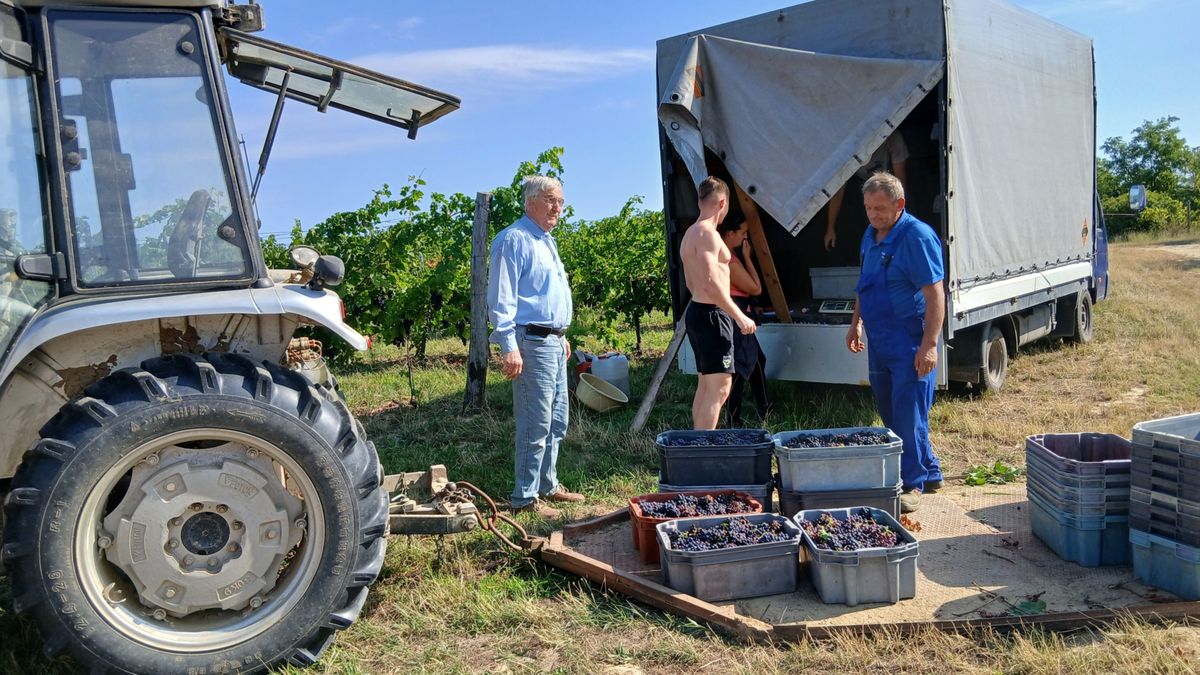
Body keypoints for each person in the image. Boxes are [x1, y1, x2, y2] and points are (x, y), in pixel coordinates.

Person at [845, 172, 944, 513]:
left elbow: (935, 295)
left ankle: (912, 483)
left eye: (880, 209)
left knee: (908, 411)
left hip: (908, 338)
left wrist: (929, 345)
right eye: (868, 208)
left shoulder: (917, 237)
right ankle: (930, 470)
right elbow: (865, 283)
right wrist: (856, 324)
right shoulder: (869, 235)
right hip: (879, 338)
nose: (873, 215)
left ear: (900, 204)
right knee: (890, 409)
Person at [487, 175, 585, 519]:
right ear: (530, 202)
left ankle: (547, 484)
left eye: (560, 201)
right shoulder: (513, 240)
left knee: (557, 420)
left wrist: (561, 334)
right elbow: (501, 298)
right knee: (535, 422)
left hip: (553, 342)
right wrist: (508, 345)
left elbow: (545, 295)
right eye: (550, 200)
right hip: (531, 342)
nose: (557, 208)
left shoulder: (546, 241)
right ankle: (525, 497)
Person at [678, 176, 757, 429]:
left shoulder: (690, 234)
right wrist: (739, 316)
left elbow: (691, 282)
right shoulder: (708, 235)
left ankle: (696, 442)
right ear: (722, 203)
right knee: (720, 387)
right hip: (712, 314)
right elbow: (711, 283)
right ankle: (703, 446)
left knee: (706, 384)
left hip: (698, 311)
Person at [824, 131, 908, 263]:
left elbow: (900, 186)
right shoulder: (847, 145)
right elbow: (838, 190)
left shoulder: (892, 138)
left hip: (887, 184)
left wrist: (899, 219)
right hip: (860, 184)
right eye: (868, 208)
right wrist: (830, 227)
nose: (873, 214)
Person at [718, 215, 770, 427]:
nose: (745, 237)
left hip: (736, 310)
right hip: (735, 312)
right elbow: (755, 288)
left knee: (756, 360)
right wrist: (748, 257)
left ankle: (764, 407)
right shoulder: (729, 260)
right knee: (740, 365)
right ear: (730, 233)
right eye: (743, 233)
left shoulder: (725, 254)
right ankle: (733, 418)